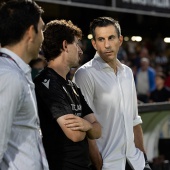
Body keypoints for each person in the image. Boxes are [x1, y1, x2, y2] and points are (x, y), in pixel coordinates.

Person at [73, 17, 151, 170]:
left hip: (136, 162)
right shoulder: (85, 74)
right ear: (94, 43)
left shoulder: (127, 73)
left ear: (120, 40)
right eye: (101, 39)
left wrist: (143, 159)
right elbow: (84, 126)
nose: (107, 45)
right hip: (108, 164)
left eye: (111, 38)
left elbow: (134, 120)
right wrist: (98, 164)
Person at [34, 19, 101, 170]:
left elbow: (98, 131)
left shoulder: (72, 86)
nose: (81, 50)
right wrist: (88, 126)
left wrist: (86, 126)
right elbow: (75, 135)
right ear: (65, 45)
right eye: (77, 44)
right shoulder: (46, 82)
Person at [0, 0, 49, 170]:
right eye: (41, 29)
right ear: (30, 32)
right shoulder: (9, 76)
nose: (43, 37)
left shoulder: (14, 71)